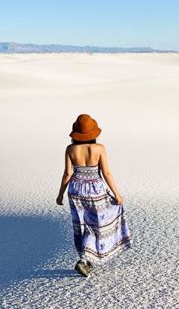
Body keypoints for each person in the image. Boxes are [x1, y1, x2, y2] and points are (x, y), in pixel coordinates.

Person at [55, 113, 132, 277]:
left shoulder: (70, 149)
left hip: (75, 190)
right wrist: (116, 194)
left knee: (82, 224)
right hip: (95, 190)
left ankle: (86, 259)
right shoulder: (99, 149)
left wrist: (60, 195)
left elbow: (68, 173)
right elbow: (106, 173)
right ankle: (85, 260)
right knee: (97, 224)